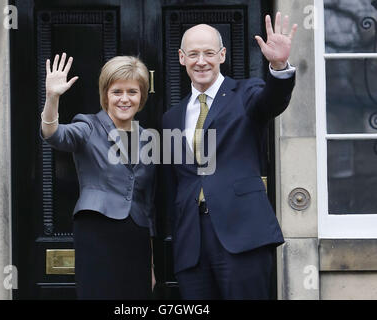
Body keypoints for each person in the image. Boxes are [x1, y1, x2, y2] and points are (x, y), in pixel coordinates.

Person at [162, 12, 298, 299]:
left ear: (222, 55)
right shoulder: (171, 117)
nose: (201, 61)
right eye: (194, 54)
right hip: (192, 244)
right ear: (181, 57)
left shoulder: (246, 94)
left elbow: (273, 100)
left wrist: (278, 66)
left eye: (209, 53)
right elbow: (175, 182)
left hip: (242, 236)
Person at [41, 54, 156, 299]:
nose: (125, 99)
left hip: (136, 235)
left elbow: (147, 203)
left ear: (142, 97)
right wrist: (52, 98)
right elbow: (54, 135)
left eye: (132, 92)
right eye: (117, 92)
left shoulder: (148, 138)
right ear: (105, 95)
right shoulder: (88, 126)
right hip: (97, 231)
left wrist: (152, 263)